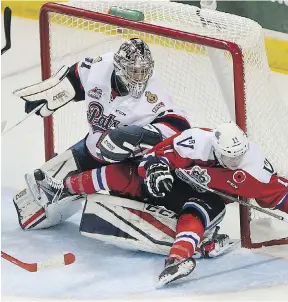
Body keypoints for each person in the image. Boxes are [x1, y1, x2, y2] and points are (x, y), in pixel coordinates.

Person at [25, 122, 288, 286]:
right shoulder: (195, 140)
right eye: (227, 157)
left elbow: (279, 194)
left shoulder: (253, 167)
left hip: (209, 198)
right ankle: (61, 188)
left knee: (196, 213)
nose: (234, 162)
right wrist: (154, 172)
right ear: (216, 147)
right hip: (175, 182)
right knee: (122, 175)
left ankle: (177, 260)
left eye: (237, 157)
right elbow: (155, 156)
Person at [12, 38, 191, 231]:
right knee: (30, 214)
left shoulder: (154, 93)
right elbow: (75, 77)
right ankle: (69, 190)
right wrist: (54, 92)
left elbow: (180, 125)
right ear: (119, 67)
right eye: (133, 71)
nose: (139, 77)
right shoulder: (99, 68)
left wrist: (139, 135)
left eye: (143, 71)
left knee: (133, 205)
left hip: (129, 161)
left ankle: (169, 214)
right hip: (92, 149)